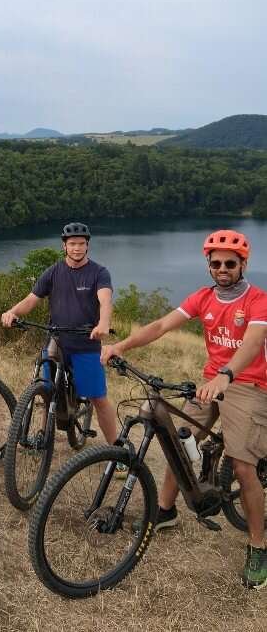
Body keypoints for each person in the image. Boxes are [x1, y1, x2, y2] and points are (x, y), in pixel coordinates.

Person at [101, 229, 267, 590]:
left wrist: (226, 375)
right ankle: (165, 510)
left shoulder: (257, 300)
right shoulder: (203, 298)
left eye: (230, 263)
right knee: (177, 436)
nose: (222, 268)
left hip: (249, 384)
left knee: (242, 465)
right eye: (216, 263)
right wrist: (122, 346)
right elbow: (161, 325)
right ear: (208, 266)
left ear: (243, 265)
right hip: (211, 382)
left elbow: (253, 342)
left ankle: (258, 545)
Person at [1, 222, 121, 452]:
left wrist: (103, 323)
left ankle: (116, 449)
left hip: (86, 343)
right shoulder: (54, 272)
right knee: (46, 390)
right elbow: (31, 300)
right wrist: (12, 312)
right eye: (72, 244)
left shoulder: (98, 272)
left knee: (98, 397)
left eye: (81, 244)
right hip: (56, 339)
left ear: (88, 246)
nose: (77, 248)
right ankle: (43, 436)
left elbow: (105, 300)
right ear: (64, 246)